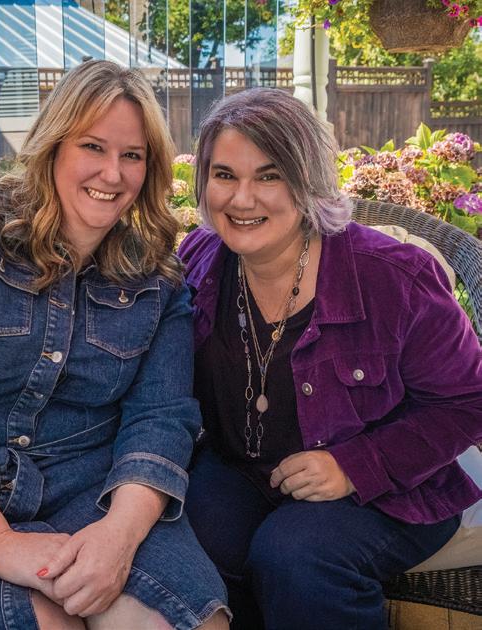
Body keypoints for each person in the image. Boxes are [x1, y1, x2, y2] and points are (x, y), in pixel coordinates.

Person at [0, 60, 229, 630]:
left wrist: (118, 536)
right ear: (53, 145)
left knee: (190, 623)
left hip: (93, 494)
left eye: (132, 155)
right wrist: (0, 544)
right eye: (93, 147)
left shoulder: (157, 278)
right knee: (43, 622)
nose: (112, 173)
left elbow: (161, 417)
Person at [179, 87, 482, 629]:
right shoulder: (200, 261)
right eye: (224, 175)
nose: (242, 200)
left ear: (308, 181)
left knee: (296, 556)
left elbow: (466, 401)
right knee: (185, 531)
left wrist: (355, 467)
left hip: (392, 488)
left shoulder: (395, 277)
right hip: (243, 471)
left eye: (269, 176)